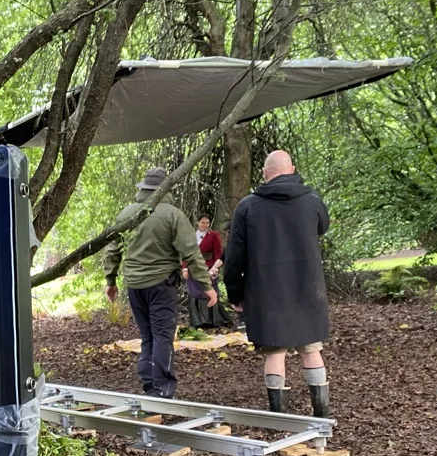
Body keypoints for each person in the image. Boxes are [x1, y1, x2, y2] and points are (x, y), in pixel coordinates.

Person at [223, 150, 330, 417]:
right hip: (308, 287)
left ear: (264, 173)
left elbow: (235, 255)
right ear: (293, 169)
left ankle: (280, 418)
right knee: (311, 349)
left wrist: (234, 292)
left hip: (266, 290)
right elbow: (323, 227)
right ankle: (321, 415)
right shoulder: (312, 200)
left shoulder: (247, 206)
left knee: (275, 352)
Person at [103, 166, 217, 399]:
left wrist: (111, 280)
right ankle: (163, 392)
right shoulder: (172, 215)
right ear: (166, 188)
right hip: (161, 285)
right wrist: (206, 286)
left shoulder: (127, 213)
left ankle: (149, 386)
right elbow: (191, 254)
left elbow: (112, 250)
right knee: (163, 337)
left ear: (143, 188)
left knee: (148, 337)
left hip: (134, 285)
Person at [182, 214, 233, 329]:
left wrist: (214, 269)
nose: (205, 225)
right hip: (192, 267)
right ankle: (197, 321)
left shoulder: (213, 235)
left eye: (207, 223)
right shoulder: (191, 236)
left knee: (209, 291)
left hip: (207, 267)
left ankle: (213, 320)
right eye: (203, 222)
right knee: (194, 292)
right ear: (198, 223)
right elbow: (185, 252)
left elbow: (218, 253)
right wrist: (184, 268)